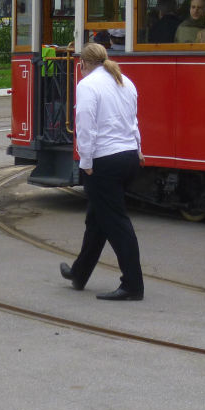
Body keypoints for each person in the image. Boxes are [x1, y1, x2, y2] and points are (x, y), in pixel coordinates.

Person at [60, 43, 145, 301]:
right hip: (128, 157)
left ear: (83, 64)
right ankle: (79, 273)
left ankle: (132, 285)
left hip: (104, 161)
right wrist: (139, 149)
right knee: (97, 219)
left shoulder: (87, 85)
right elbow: (133, 121)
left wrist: (85, 161)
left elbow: (85, 125)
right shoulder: (125, 81)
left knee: (116, 223)